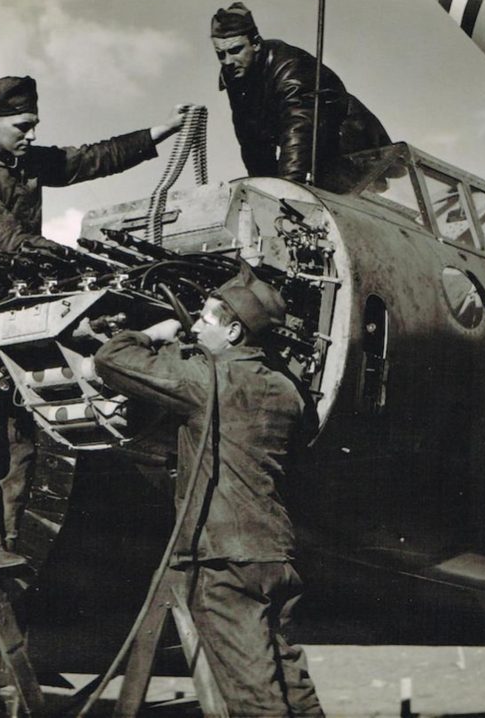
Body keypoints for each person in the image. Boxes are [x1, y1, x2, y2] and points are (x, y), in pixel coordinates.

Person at [0, 74, 187, 569]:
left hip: (16, 315)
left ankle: (5, 542)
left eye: (34, 125)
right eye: (22, 126)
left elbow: (89, 159)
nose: (31, 135)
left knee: (24, 435)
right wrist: (89, 266)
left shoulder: (27, 161)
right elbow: (10, 240)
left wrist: (158, 133)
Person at [93, 263, 324, 717]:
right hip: (273, 557)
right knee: (290, 679)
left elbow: (110, 359)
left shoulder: (204, 379)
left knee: (254, 697)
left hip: (224, 563)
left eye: (205, 319)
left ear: (234, 331)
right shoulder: (289, 393)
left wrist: (156, 333)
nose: (195, 326)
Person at [212, 1, 390, 184]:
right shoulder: (235, 76)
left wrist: (285, 190)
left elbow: (298, 129)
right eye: (220, 54)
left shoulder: (290, 69)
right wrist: (262, 192)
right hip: (311, 154)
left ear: (256, 43)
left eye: (235, 50)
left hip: (353, 149)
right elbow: (253, 144)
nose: (227, 61)